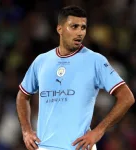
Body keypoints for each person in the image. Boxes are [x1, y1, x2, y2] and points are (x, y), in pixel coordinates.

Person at [16, 5, 135, 150]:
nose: (80, 32)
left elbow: (127, 97)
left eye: (83, 27)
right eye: (74, 27)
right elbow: (22, 95)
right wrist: (26, 130)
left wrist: (98, 131)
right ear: (60, 29)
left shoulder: (95, 61)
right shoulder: (41, 61)